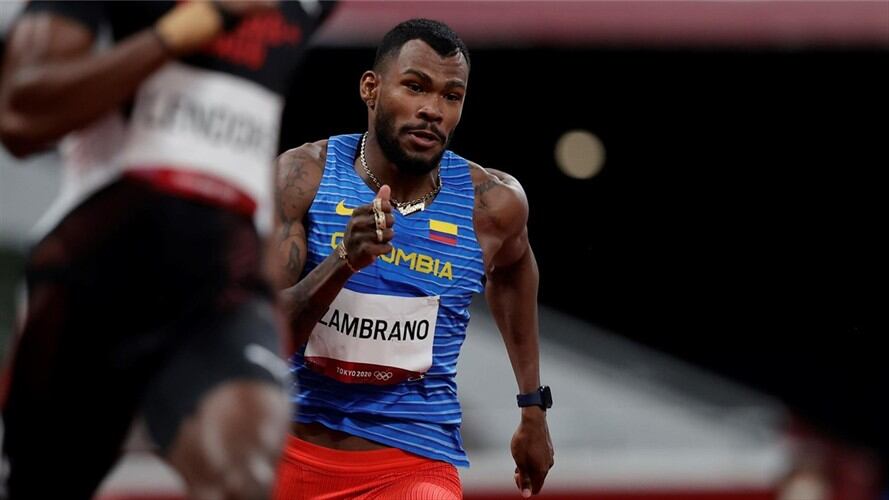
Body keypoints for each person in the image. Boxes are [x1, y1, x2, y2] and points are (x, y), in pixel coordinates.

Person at [0, 1, 335, 498]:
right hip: (99, 261)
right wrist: (194, 23)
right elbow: (21, 116)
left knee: (242, 480)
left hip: (224, 274)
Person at [270, 18, 554, 499]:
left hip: (413, 464)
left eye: (451, 96)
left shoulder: (492, 206)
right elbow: (267, 335)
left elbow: (513, 269)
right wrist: (342, 261)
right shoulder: (303, 179)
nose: (432, 110)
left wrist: (532, 406)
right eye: (416, 87)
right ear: (371, 88)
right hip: (291, 452)